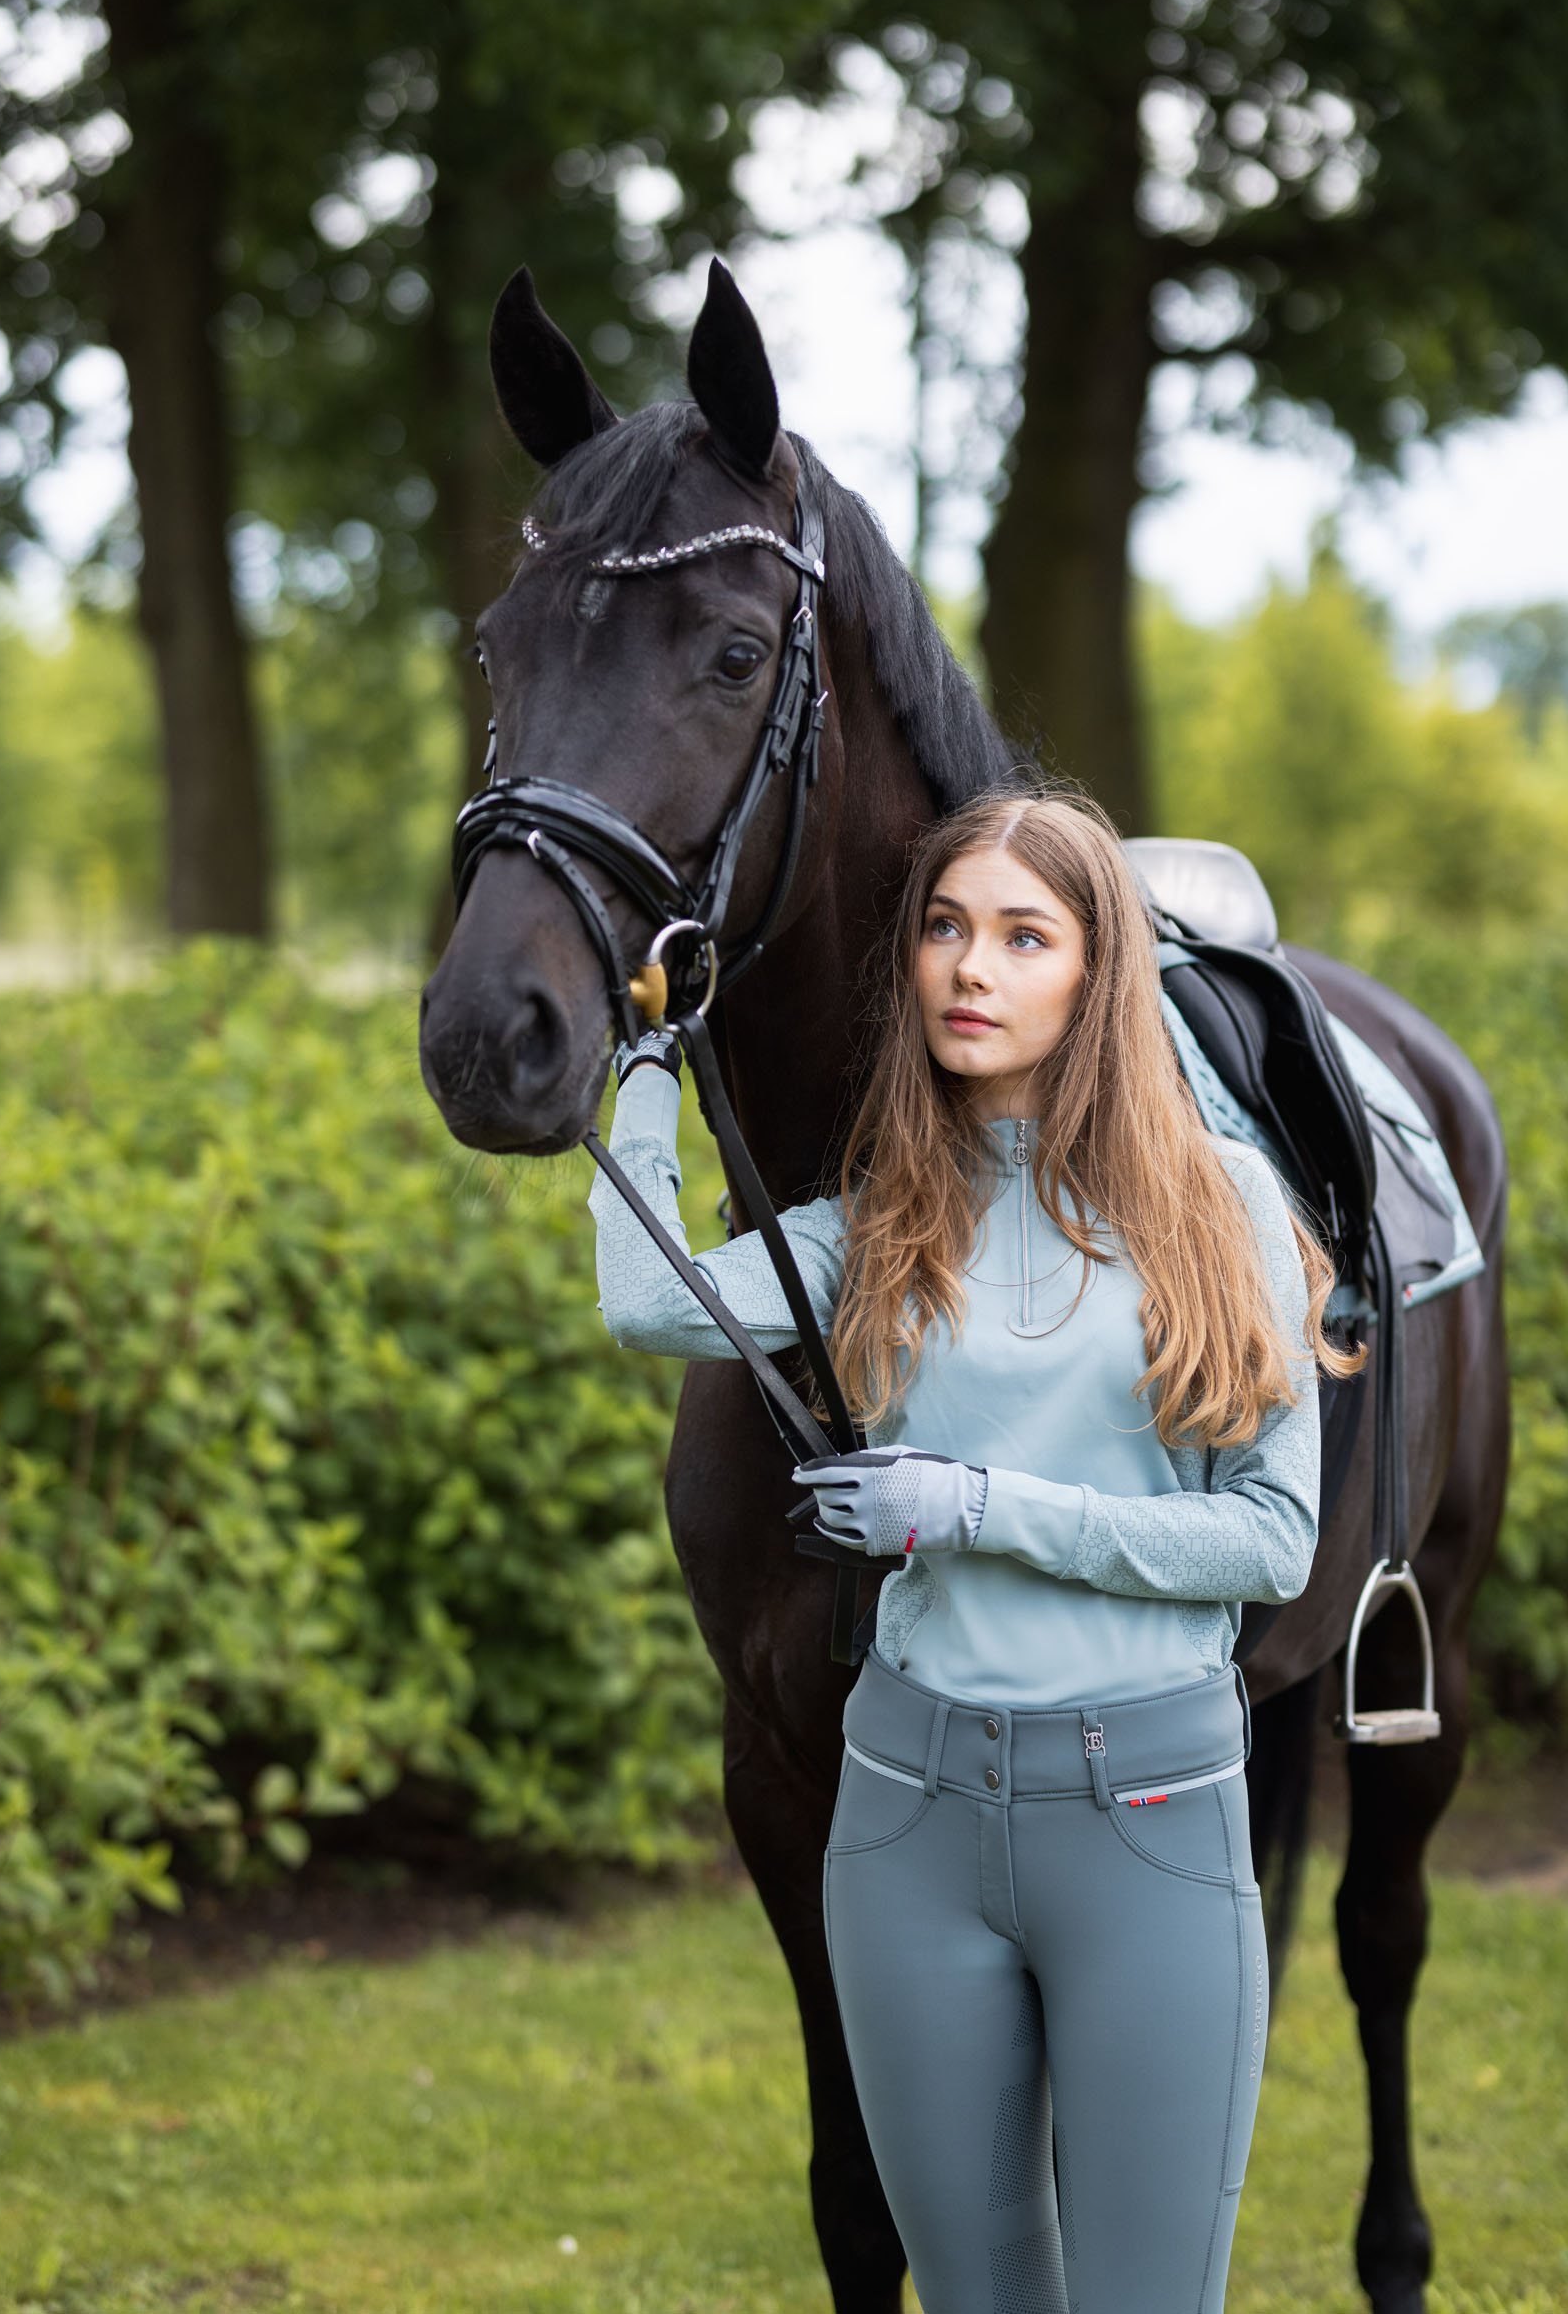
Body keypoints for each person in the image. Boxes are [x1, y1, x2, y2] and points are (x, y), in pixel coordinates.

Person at [588, 789, 1353, 2314]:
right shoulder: (881, 1216)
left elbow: (1270, 1541)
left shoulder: (1220, 1205)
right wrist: (650, 1065)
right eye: (944, 928)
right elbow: (649, 1299)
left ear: (1098, 972)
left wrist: (974, 1508)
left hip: (1144, 1819)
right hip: (907, 1821)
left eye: (1022, 935)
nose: (969, 968)